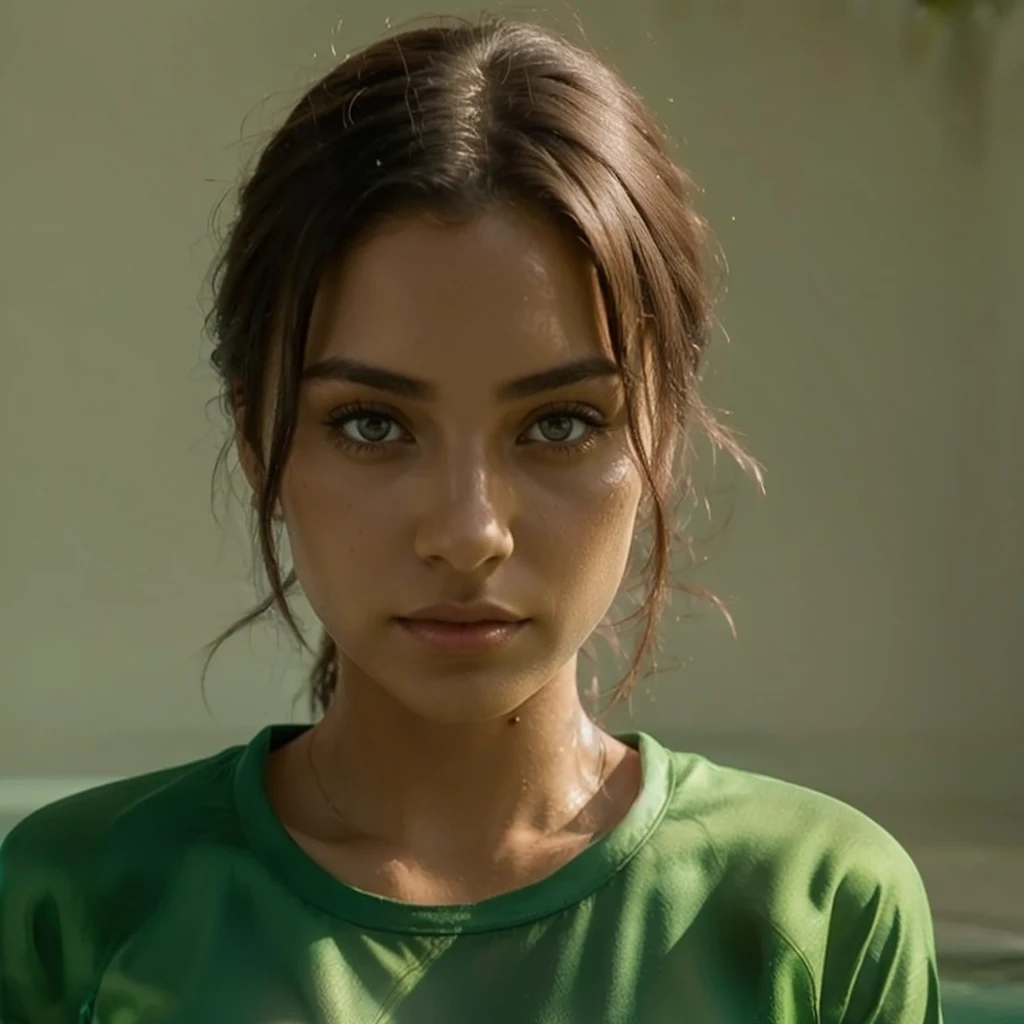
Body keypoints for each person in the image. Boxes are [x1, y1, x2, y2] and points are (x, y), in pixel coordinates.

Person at [0, 14, 943, 1024]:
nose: (467, 531)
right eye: (371, 424)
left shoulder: (815, 912)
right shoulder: (79, 903)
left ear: (662, 436)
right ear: (256, 440)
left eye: (558, 423)